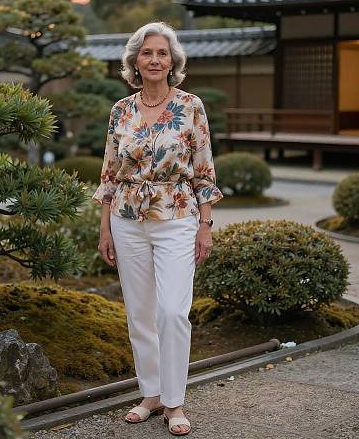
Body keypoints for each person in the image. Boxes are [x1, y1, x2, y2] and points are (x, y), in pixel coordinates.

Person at [93, 22, 223, 436]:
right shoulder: (121, 110)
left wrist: (206, 224)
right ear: (135, 60)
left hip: (178, 215)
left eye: (161, 53)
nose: (154, 59)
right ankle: (150, 395)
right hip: (127, 219)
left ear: (173, 62)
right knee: (140, 314)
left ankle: (174, 402)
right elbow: (110, 173)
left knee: (172, 312)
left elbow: (203, 168)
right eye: (146, 53)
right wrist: (105, 228)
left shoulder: (191, 106)